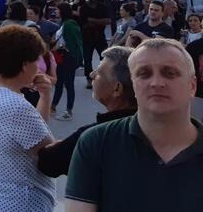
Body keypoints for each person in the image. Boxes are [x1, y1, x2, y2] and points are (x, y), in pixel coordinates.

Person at [66, 39, 203, 211]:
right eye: (144, 74)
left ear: (192, 86)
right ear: (133, 84)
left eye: (169, 73)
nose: (156, 83)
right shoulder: (96, 143)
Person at [0, 25, 55, 212]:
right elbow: (49, 156)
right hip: (20, 203)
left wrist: (45, 96)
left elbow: (32, 133)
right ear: (24, 65)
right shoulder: (16, 107)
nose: (39, 67)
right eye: (36, 60)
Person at [38, 46, 136, 177]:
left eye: (99, 73)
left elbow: (47, 162)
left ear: (117, 88)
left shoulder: (96, 137)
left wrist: (45, 97)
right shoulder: (152, 127)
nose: (92, 74)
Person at [52, 3, 84, 120]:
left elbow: (76, 42)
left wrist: (77, 57)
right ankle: (53, 106)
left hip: (69, 57)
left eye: (57, 9)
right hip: (62, 56)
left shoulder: (69, 24)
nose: (55, 12)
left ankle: (69, 111)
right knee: (59, 82)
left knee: (68, 84)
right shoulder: (64, 23)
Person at [78, 0, 110, 89]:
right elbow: (83, 23)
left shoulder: (103, 7)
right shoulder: (83, 8)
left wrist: (92, 20)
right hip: (87, 36)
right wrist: (100, 21)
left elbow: (108, 21)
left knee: (105, 58)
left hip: (100, 36)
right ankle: (89, 79)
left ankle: (103, 78)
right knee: (87, 59)